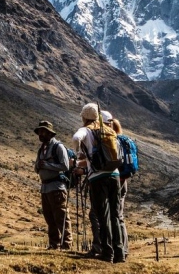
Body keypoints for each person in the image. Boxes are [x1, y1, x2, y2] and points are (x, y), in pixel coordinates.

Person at [72, 103, 124, 263]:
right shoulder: (107, 130)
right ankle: (120, 253)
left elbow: (75, 138)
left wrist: (79, 153)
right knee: (115, 215)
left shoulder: (86, 130)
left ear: (84, 117)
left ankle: (107, 253)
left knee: (103, 216)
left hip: (97, 177)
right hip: (114, 174)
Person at [33, 120, 72, 250]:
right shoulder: (41, 149)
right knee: (49, 218)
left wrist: (48, 165)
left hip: (56, 187)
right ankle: (54, 244)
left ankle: (66, 244)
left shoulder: (58, 147)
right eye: (39, 132)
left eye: (43, 132)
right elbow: (37, 167)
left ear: (50, 133)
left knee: (61, 217)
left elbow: (65, 166)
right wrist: (38, 166)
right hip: (45, 188)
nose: (41, 134)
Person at [109, 115, 129, 259]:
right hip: (123, 181)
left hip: (117, 181)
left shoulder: (114, 142)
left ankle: (122, 249)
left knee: (117, 216)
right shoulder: (123, 140)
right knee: (119, 215)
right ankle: (123, 248)